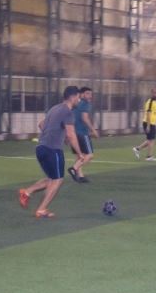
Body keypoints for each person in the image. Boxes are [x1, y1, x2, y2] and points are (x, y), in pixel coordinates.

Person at [18, 86, 84, 218]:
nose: (79, 100)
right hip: (52, 149)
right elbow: (71, 134)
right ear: (72, 97)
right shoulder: (68, 112)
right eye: (78, 97)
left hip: (40, 148)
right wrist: (79, 153)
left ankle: (27, 192)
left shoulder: (55, 108)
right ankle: (41, 209)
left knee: (51, 179)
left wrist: (55, 135)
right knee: (58, 180)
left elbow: (41, 124)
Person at [67, 86, 100, 183]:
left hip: (74, 133)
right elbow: (84, 118)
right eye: (87, 93)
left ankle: (80, 176)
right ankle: (74, 168)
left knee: (79, 156)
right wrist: (93, 130)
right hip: (82, 133)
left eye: (91, 94)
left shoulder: (75, 104)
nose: (90, 96)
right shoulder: (86, 104)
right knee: (89, 155)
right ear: (81, 94)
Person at [132, 87, 156, 162]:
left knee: (150, 140)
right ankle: (149, 156)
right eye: (155, 93)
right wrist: (148, 126)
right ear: (152, 93)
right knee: (152, 140)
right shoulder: (150, 102)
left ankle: (137, 149)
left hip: (152, 123)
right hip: (148, 123)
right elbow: (148, 114)